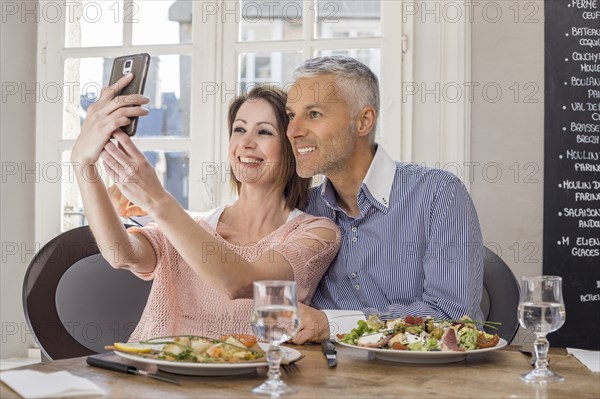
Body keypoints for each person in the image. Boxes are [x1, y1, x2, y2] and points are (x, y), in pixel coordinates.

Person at [71, 77, 340, 341]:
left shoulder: (317, 234)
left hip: (246, 381)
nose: (246, 143)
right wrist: (83, 164)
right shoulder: (190, 227)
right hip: (155, 376)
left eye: (264, 132)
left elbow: (241, 282)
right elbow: (121, 255)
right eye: (239, 129)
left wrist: (158, 200)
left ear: (292, 148)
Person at [284, 56, 485, 344]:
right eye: (291, 115)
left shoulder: (439, 195)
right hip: (328, 380)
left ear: (363, 121)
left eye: (313, 114)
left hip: (428, 382)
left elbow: (452, 315)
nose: (293, 131)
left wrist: (333, 323)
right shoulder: (304, 209)